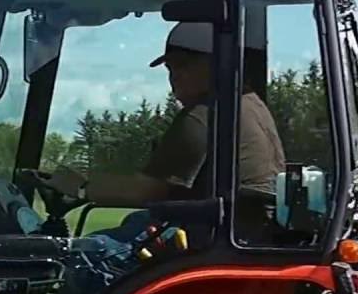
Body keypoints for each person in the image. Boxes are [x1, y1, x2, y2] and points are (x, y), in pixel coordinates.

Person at [45, 22, 285, 211]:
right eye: (170, 68)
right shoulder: (249, 105)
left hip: (211, 240)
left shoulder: (204, 115)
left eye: (184, 65)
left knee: (91, 254)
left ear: (217, 63)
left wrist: (81, 186)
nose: (174, 77)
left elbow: (145, 191)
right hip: (241, 231)